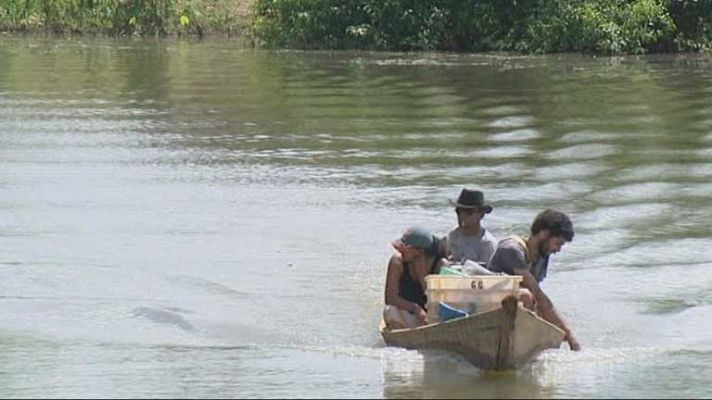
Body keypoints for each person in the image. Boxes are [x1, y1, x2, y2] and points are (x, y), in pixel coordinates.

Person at [487, 209, 581, 351]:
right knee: (526, 295)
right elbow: (537, 294)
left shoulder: (542, 257)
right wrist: (570, 336)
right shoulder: (511, 249)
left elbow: (540, 303)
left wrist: (559, 331)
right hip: (490, 305)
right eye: (558, 243)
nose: (558, 250)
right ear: (544, 234)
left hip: (520, 310)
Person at [383, 226, 447, 330]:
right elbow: (390, 298)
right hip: (409, 314)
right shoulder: (397, 262)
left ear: (420, 252)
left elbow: (440, 302)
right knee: (390, 310)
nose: (401, 251)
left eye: (406, 248)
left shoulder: (441, 265)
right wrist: (416, 309)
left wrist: (422, 277)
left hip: (434, 319)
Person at [445, 188, 498, 268]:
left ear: (481, 215)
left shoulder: (487, 244)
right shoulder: (453, 235)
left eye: (468, 212)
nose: (462, 216)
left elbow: (487, 275)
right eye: (459, 211)